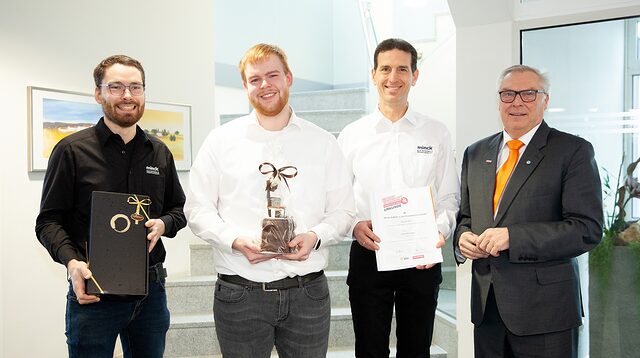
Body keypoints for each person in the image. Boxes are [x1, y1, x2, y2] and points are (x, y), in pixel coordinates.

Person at [184, 43, 355, 357]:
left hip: (308, 293)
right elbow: (197, 208)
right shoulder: (221, 141)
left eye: (273, 75)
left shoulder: (323, 143)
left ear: (288, 78)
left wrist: (316, 237)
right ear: (245, 87)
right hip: (240, 292)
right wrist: (234, 239)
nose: (265, 85)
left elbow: (343, 210)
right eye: (254, 79)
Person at [35, 55, 187, 357]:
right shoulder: (71, 151)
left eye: (135, 87)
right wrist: (72, 263)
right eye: (116, 87)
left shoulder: (159, 153)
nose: (127, 95)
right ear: (98, 93)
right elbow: (48, 222)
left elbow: (178, 211)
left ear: (144, 93)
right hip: (93, 294)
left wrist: (163, 224)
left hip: (151, 295)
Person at [454, 64, 603, 357]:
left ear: (545, 100)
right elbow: (466, 218)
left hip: (545, 313)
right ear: (499, 101)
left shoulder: (572, 151)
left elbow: (587, 229)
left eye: (528, 93)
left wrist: (513, 237)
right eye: (508, 94)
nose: (517, 102)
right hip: (487, 311)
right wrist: (462, 239)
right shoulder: (476, 153)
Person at [337, 38, 460, 357]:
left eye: (402, 69)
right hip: (369, 252)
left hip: (421, 257)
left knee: (416, 349)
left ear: (415, 76)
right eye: (386, 69)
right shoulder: (352, 134)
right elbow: (337, 198)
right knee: (369, 349)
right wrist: (352, 226)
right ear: (373, 74)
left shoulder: (436, 133)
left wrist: (439, 231)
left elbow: (449, 196)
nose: (394, 77)